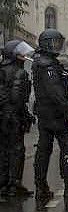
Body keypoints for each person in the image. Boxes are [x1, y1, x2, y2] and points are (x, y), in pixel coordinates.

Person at [31, 29, 68, 200]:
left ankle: (41, 187)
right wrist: (65, 110)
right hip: (54, 113)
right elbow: (55, 92)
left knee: (44, 149)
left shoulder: (44, 62)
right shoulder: (47, 65)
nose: (58, 46)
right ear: (47, 43)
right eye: (55, 43)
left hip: (45, 113)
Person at [0, 40, 34, 199]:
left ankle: (4, 183)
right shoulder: (19, 73)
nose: (24, 56)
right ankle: (14, 184)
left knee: (3, 150)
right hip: (13, 117)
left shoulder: (1, 70)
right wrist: (25, 115)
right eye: (21, 54)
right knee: (17, 150)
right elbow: (17, 98)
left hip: (2, 116)